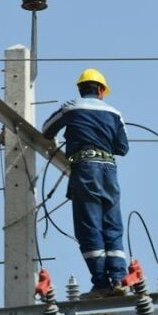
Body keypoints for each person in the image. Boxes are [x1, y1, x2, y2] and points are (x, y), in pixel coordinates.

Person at [42, 69, 129, 298]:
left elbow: (46, 130)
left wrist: (73, 134)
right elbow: (123, 148)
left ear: (80, 89)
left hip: (86, 168)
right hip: (109, 171)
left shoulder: (71, 107)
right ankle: (119, 278)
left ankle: (101, 284)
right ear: (101, 91)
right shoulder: (115, 113)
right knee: (112, 225)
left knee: (90, 226)